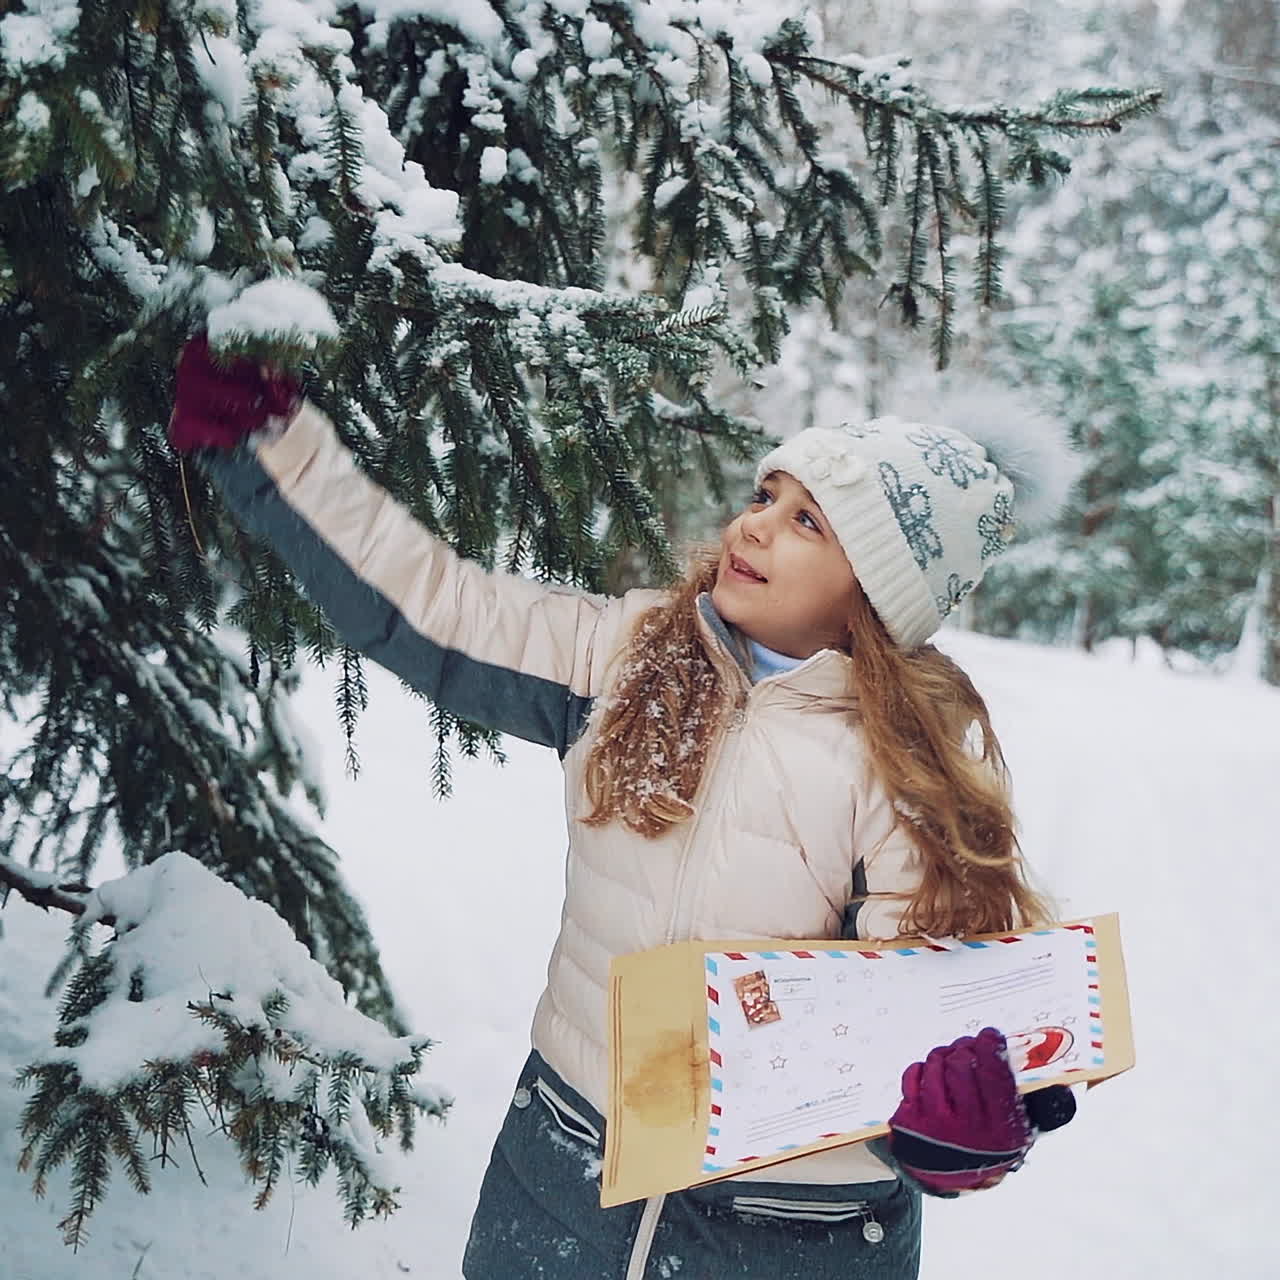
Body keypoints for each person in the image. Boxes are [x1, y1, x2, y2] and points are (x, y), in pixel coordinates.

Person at [169, 335, 1077, 1280]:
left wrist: (948, 1125)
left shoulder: (910, 766)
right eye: (766, 496)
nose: (755, 525)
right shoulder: (632, 658)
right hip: (562, 1170)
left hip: (789, 1231)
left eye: (811, 522)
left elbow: (922, 1016)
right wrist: (273, 446)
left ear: (882, 589)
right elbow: (434, 605)